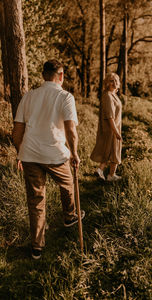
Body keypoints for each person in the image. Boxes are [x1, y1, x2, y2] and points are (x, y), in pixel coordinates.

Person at [12, 59, 85, 259]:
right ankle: (69, 216)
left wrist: (20, 152)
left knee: (36, 200)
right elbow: (71, 130)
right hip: (54, 154)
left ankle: (37, 247)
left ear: (43, 75)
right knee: (68, 183)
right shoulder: (65, 97)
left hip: (30, 154)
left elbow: (17, 131)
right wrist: (75, 153)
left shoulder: (28, 97)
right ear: (61, 76)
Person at [90, 72, 122, 181]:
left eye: (115, 81)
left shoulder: (112, 94)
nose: (114, 83)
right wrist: (116, 132)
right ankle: (109, 174)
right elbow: (110, 117)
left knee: (111, 151)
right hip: (111, 128)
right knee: (113, 151)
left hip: (114, 127)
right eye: (111, 81)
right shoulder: (108, 95)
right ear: (107, 83)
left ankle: (104, 172)